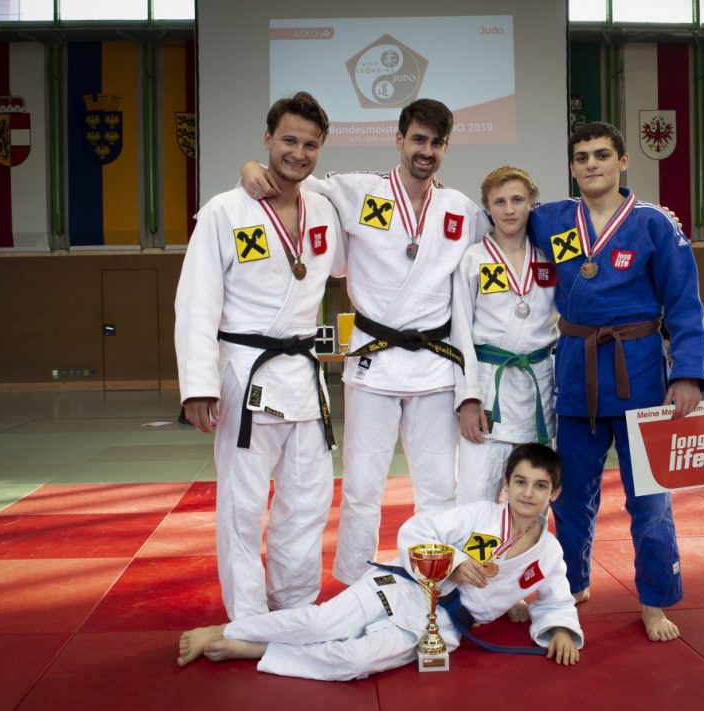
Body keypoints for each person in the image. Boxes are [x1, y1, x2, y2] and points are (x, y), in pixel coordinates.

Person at [240, 99, 488, 585]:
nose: (426, 151)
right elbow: (292, 178)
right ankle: (356, 581)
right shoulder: (358, 191)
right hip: (374, 364)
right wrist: (249, 166)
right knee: (361, 486)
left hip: (435, 367)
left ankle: (434, 580)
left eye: (437, 143)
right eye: (418, 139)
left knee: (440, 486)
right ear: (399, 140)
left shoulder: (461, 209)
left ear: (446, 148)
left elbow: (510, 228)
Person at [176, 443, 583, 681]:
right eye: (520, 482)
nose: (528, 493)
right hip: (403, 586)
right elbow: (417, 531)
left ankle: (257, 650)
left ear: (555, 493)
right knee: (321, 623)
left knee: (355, 661)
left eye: (540, 486)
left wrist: (561, 629)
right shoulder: (480, 515)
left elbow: (557, 598)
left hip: (441, 626)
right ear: (506, 484)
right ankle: (226, 630)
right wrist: (454, 562)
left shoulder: (548, 553)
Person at [527, 122, 704, 642]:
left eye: (602, 154)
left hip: (641, 374)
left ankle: (654, 600)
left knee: (649, 500)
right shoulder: (551, 218)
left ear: (623, 161)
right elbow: (500, 210)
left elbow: (684, 301)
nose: (591, 164)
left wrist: (688, 374)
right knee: (569, 495)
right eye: (582, 156)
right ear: (571, 167)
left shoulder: (654, 224)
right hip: (577, 373)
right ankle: (571, 584)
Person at [175, 92, 345, 620]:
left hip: (305, 377)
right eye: (288, 140)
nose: (298, 153)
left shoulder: (324, 208)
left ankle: (293, 605)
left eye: (310, 145)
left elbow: (348, 258)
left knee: (309, 500)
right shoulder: (224, 212)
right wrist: (198, 386)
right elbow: (196, 303)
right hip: (245, 374)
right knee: (242, 505)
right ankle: (248, 615)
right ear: (268, 139)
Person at [451, 166, 558, 506]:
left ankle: (525, 545)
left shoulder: (550, 255)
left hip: (536, 386)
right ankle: (474, 547)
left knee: (532, 495)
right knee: (475, 497)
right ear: (488, 208)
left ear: (532, 204)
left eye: (517, 200)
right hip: (488, 391)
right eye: (499, 202)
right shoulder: (473, 259)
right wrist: (468, 399)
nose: (509, 209)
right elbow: (459, 333)